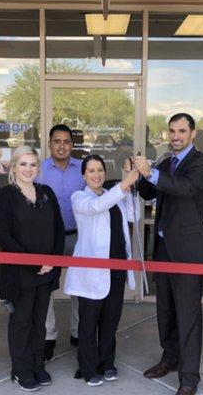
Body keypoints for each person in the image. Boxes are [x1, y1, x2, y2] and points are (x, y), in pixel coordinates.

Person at [135, 113, 203, 395]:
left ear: (193, 133)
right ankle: (169, 359)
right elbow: (149, 192)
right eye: (172, 131)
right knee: (166, 311)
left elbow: (186, 188)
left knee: (188, 316)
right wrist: (138, 174)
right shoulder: (166, 161)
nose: (175, 136)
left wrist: (152, 173)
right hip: (164, 249)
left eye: (181, 131)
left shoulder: (201, 163)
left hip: (188, 252)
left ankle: (189, 378)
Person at [0, 146, 65, 392]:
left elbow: (58, 229)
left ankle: (37, 366)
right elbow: (3, 235)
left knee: (39, 322)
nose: (28, 169)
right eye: (23, 164)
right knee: (21, 322)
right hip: (20, 274)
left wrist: (53, 260)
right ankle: (21, 370)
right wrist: (35, 263)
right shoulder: (5, 196)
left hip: (46, 272)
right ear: (13, 167)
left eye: (33, 164)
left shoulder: (47, 193)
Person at [64, 154, 140, 386]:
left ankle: (107, 363)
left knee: (110, 320)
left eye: (100, 170)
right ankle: (88, 368)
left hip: (117, 267)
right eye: (91, 170)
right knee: (89, 322)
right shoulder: (79, 198)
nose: (96, 174)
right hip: (92, 272)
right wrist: (124, 184)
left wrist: (130, 185)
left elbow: (134, 215)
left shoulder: (112, 194)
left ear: (105, 173)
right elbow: (97, 207)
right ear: (83, 175)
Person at [37, 124, 85, 360]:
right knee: (46, 287)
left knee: (80, 287)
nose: (62, 146)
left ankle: (78, 332)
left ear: (72, 145)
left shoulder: (83, 169)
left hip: (79, 236)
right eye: (57, 141)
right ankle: (48, 335)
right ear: (49, 144)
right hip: (49, 239)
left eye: (66, 141)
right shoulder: (39, 170)